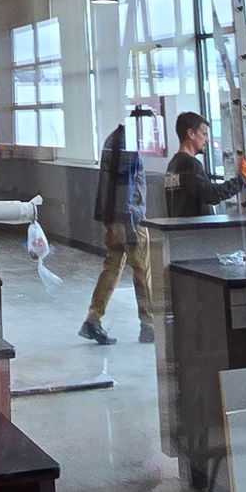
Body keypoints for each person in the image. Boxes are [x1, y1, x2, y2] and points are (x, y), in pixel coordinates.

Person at [81, 110, 155, 348]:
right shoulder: (128, 145)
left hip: (113, 219)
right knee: (143, 272)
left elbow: (107, 186)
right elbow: (125, 188)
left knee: (111, 269)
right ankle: (149, 326)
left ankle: (93, 319)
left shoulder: (112, 139)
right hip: (130, 220)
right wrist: (131, 228)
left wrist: (106, 218)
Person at [163, 112, 246, 219]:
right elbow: (211, 195)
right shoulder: (190, 164)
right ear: (191, 134)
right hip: (195, 229)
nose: (207, 140)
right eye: (204, 134)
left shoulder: (173, 165)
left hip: (182, 228)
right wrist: (244, 177)